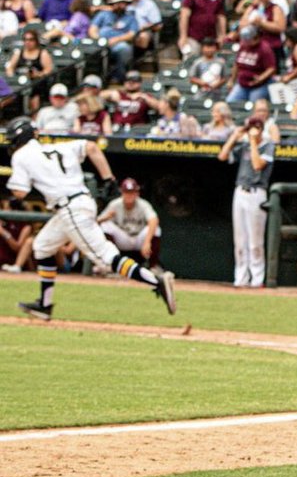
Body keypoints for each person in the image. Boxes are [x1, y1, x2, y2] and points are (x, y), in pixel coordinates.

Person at [3, 118, 176, 321]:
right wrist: (108, 178)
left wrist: (16, 179)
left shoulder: (21, 155)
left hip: (70, 209)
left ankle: (156, 281)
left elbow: (20, 192)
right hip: (79, 203)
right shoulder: (59, 147)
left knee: (105, 257)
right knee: (42, 246)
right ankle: (45, 304)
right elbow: (92, 147)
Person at [217, 114, 274, 288]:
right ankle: (240, 278)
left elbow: (257, 165)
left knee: (255, 241)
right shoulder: (244, 145)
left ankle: (257, 280)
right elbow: (222, 156)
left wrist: (253, 141)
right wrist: (235, 136)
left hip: (257, 193)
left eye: (254, 128)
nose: (252, 131)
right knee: (240, 240)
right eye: (250, 128)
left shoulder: (268, 145)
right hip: (240, 192)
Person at [98, 177, 163, 269]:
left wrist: (147, 242)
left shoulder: (143, 204)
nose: (129, 195)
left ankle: (153, 267)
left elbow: (154, 220)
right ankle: (110, 265)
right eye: (126, 192)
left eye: (132, 192)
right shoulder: (115, 204)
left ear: (137, 193)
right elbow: (96, 222)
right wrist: (105, 217)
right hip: (123, 239)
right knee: (105, 225)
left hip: (139, 240)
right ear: (122, 193)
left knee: (156, 229)